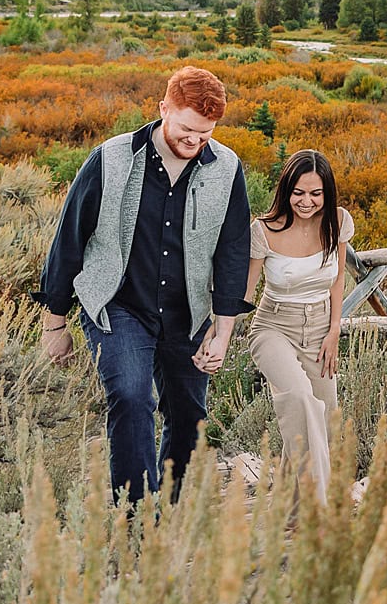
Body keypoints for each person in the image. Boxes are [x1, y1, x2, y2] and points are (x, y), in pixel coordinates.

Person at [34, 66, 253, 503]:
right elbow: (69, 239)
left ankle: (171, 508)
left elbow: (233, 251)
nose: (195, 141)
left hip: (186, 311)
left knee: (189, 416)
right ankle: (137, 520)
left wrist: (223, 331)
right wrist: (53, 325)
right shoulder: (111, 159)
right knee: (133, 398)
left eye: (206, 134)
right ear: (163, 109)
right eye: (187, 129)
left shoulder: (226, 169)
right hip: (118, 305)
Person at [246, 149, 350, 503]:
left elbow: (337, 280)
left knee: (324, 416)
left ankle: (290, 511)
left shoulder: (338, 221)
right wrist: (219, 330)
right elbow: (246, 292)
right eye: (299, 193)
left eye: (316, 193)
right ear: (286, 190)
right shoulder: (263, 231)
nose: (307, 202)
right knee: (301, 400)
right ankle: (319, 507)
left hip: (322, 328)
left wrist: (335, 330)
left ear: (327, 193)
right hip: (273, 325)